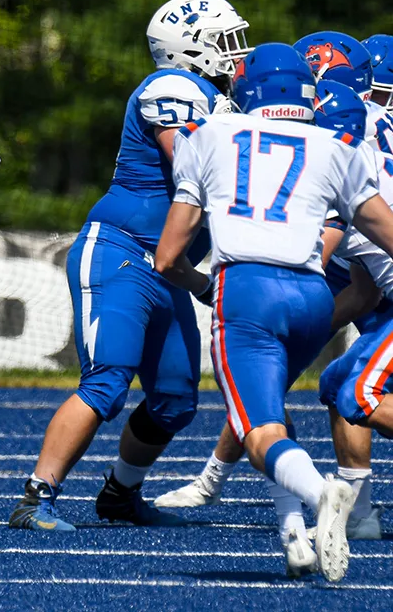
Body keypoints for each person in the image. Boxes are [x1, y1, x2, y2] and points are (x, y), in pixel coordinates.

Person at [8, 0, 250, 532]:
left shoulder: (222, 100)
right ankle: (35, 498)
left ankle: (120, 493)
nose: (237, 53)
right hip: (121, 252)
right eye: (225, 42)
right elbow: (189, 158)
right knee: (106, 383)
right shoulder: (172, 88)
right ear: (189, 51)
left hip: (169, 266)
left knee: (174, 400)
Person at [154, 42, 393, 583]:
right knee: (268, 409)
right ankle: (293, 541)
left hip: (246, 289)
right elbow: (383, 228)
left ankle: (319, 495)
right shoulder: (337, 145)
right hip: (311, 296)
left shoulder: (210, 136)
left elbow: (168, 256)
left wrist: (200, 283)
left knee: (258, 426)